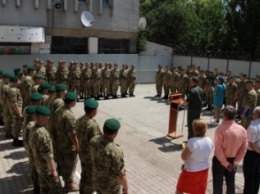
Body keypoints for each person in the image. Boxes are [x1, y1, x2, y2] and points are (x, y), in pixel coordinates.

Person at [212, 105, 247, 194]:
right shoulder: (242, 130)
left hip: (220, 161)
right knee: (231, 183)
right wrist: (235, 162)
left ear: (225, 115)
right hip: (233, 160)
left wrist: (225, 163)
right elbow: (244, 149)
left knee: (217, 184)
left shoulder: (220, 129)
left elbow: (218, 149)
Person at [28, 106, 63, 193]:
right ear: (43, 117)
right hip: (46, 167)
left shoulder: (32, 128)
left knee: (44, 188)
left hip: (38, 164)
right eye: (47, 116)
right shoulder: (42, 134)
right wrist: (54, 170)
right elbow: (47, 154)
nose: (48, 118)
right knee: (57, 189)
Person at [90, 118, 129, 194]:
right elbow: (121, 176)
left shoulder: (94, 140)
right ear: (115, 133)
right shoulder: (115, 151)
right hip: (110, 188)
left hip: (97, 181)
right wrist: (126, 189)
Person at [176, 119, 213, 194]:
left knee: (180, 188)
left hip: (191, 170)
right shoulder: (209, 140)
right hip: (204, 170)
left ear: (194, 129)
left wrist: (184, 149)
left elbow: (184, 157)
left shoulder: (192, 141)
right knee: (198, 191)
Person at [54, 92, 79, 191]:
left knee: (63, 161)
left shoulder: (59, 110)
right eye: (75, 101)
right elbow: (72, 134)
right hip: (68, 145)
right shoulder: (69, 115)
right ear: (72, 102)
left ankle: (66, 179)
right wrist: (77, 146)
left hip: (60, 142)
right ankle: (69, 184)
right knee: (70, 163)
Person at [75, 98, 102, 194]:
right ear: (94, 110)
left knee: (85, 175)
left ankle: (82, 191)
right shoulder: (92, 125)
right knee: (90, 178)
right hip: (90, 155)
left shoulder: (79, 120)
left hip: (82, 151)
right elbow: (96, 143)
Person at [243, 106, 260, 194]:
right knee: (256, 176)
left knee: (249, 178)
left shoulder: (253, 126)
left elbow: (251, 143)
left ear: (255, 115)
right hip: (258, 154)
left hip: (252, 154)